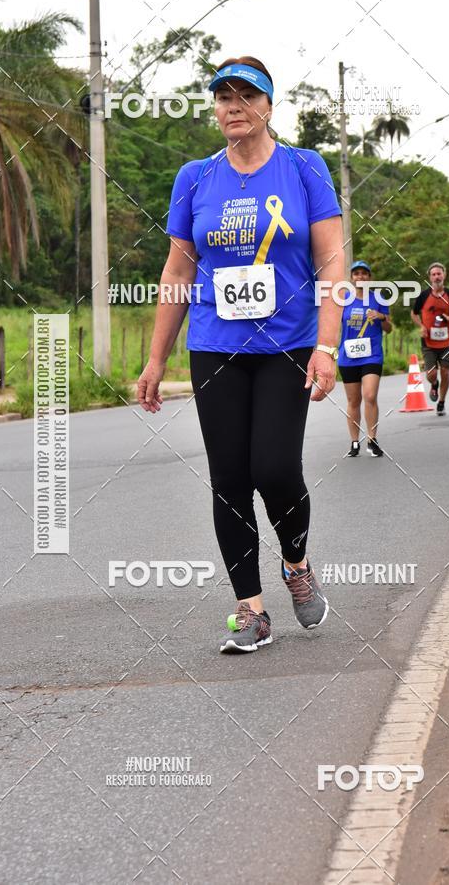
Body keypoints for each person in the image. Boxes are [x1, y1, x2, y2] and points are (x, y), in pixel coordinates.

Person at [137, 56, 344, 653]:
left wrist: (327, 345)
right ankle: (250, 610)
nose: (231, 106)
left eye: (244, 96)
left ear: (268, 106)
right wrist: (156, 359)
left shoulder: (304, 169)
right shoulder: (195, 177)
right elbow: (178, 269)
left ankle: (297, 564)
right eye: (222, 97)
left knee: (274, 469)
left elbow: (332, 264)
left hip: (288, 345)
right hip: (215, 348)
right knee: (230, 478)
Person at [338, 261, 392, 458]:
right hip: (348, 356)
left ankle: (372, 439)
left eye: (364, 274)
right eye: (356, 274)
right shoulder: (343, 298)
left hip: (372, 355)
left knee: (369, 396)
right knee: (353, 400)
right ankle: (354, 442)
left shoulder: (378, 298)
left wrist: (381, 317)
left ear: (370, 278)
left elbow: (389, 328)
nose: (360, 277)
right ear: (352, 278)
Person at [411, 262, 449, 416]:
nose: (437, 276)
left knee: (445, 372)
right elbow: (414, 313)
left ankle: (442, 402)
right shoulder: (424, 296)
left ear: (444, 275)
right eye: (434, 274)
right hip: (428, 342)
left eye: (439, 273)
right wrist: (421, 326)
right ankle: (434, 384)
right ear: (430, 277)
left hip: (447, 342)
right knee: (431, 374)